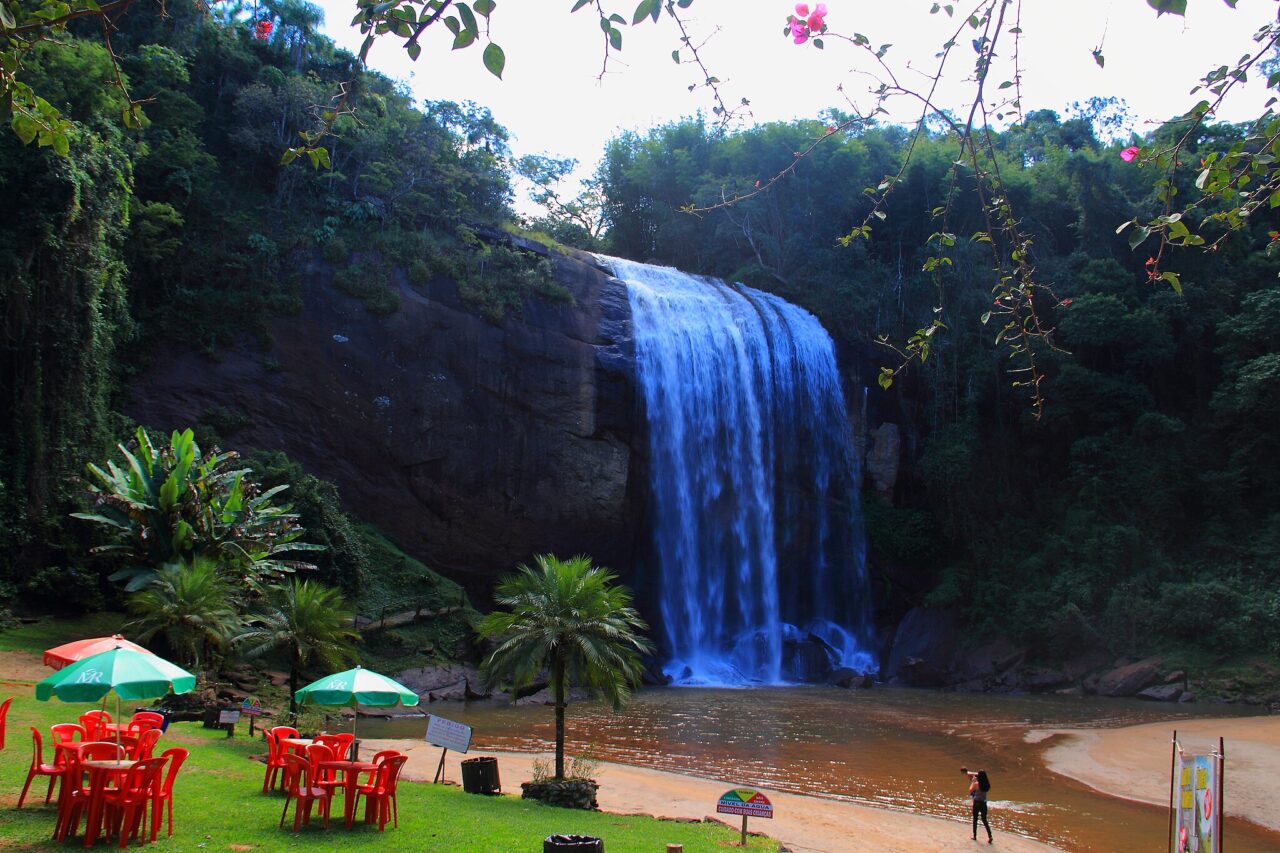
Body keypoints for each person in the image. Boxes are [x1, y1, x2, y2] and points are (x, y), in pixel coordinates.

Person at [962, 766, 993, 844]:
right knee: (984, 820)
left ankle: (975, 836)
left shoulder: (976, 784)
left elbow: (970, 790)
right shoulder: (986, 785)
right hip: (984, 803)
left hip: (977, 802)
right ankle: (990, 836)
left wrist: (973, 781)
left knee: (975, 819)